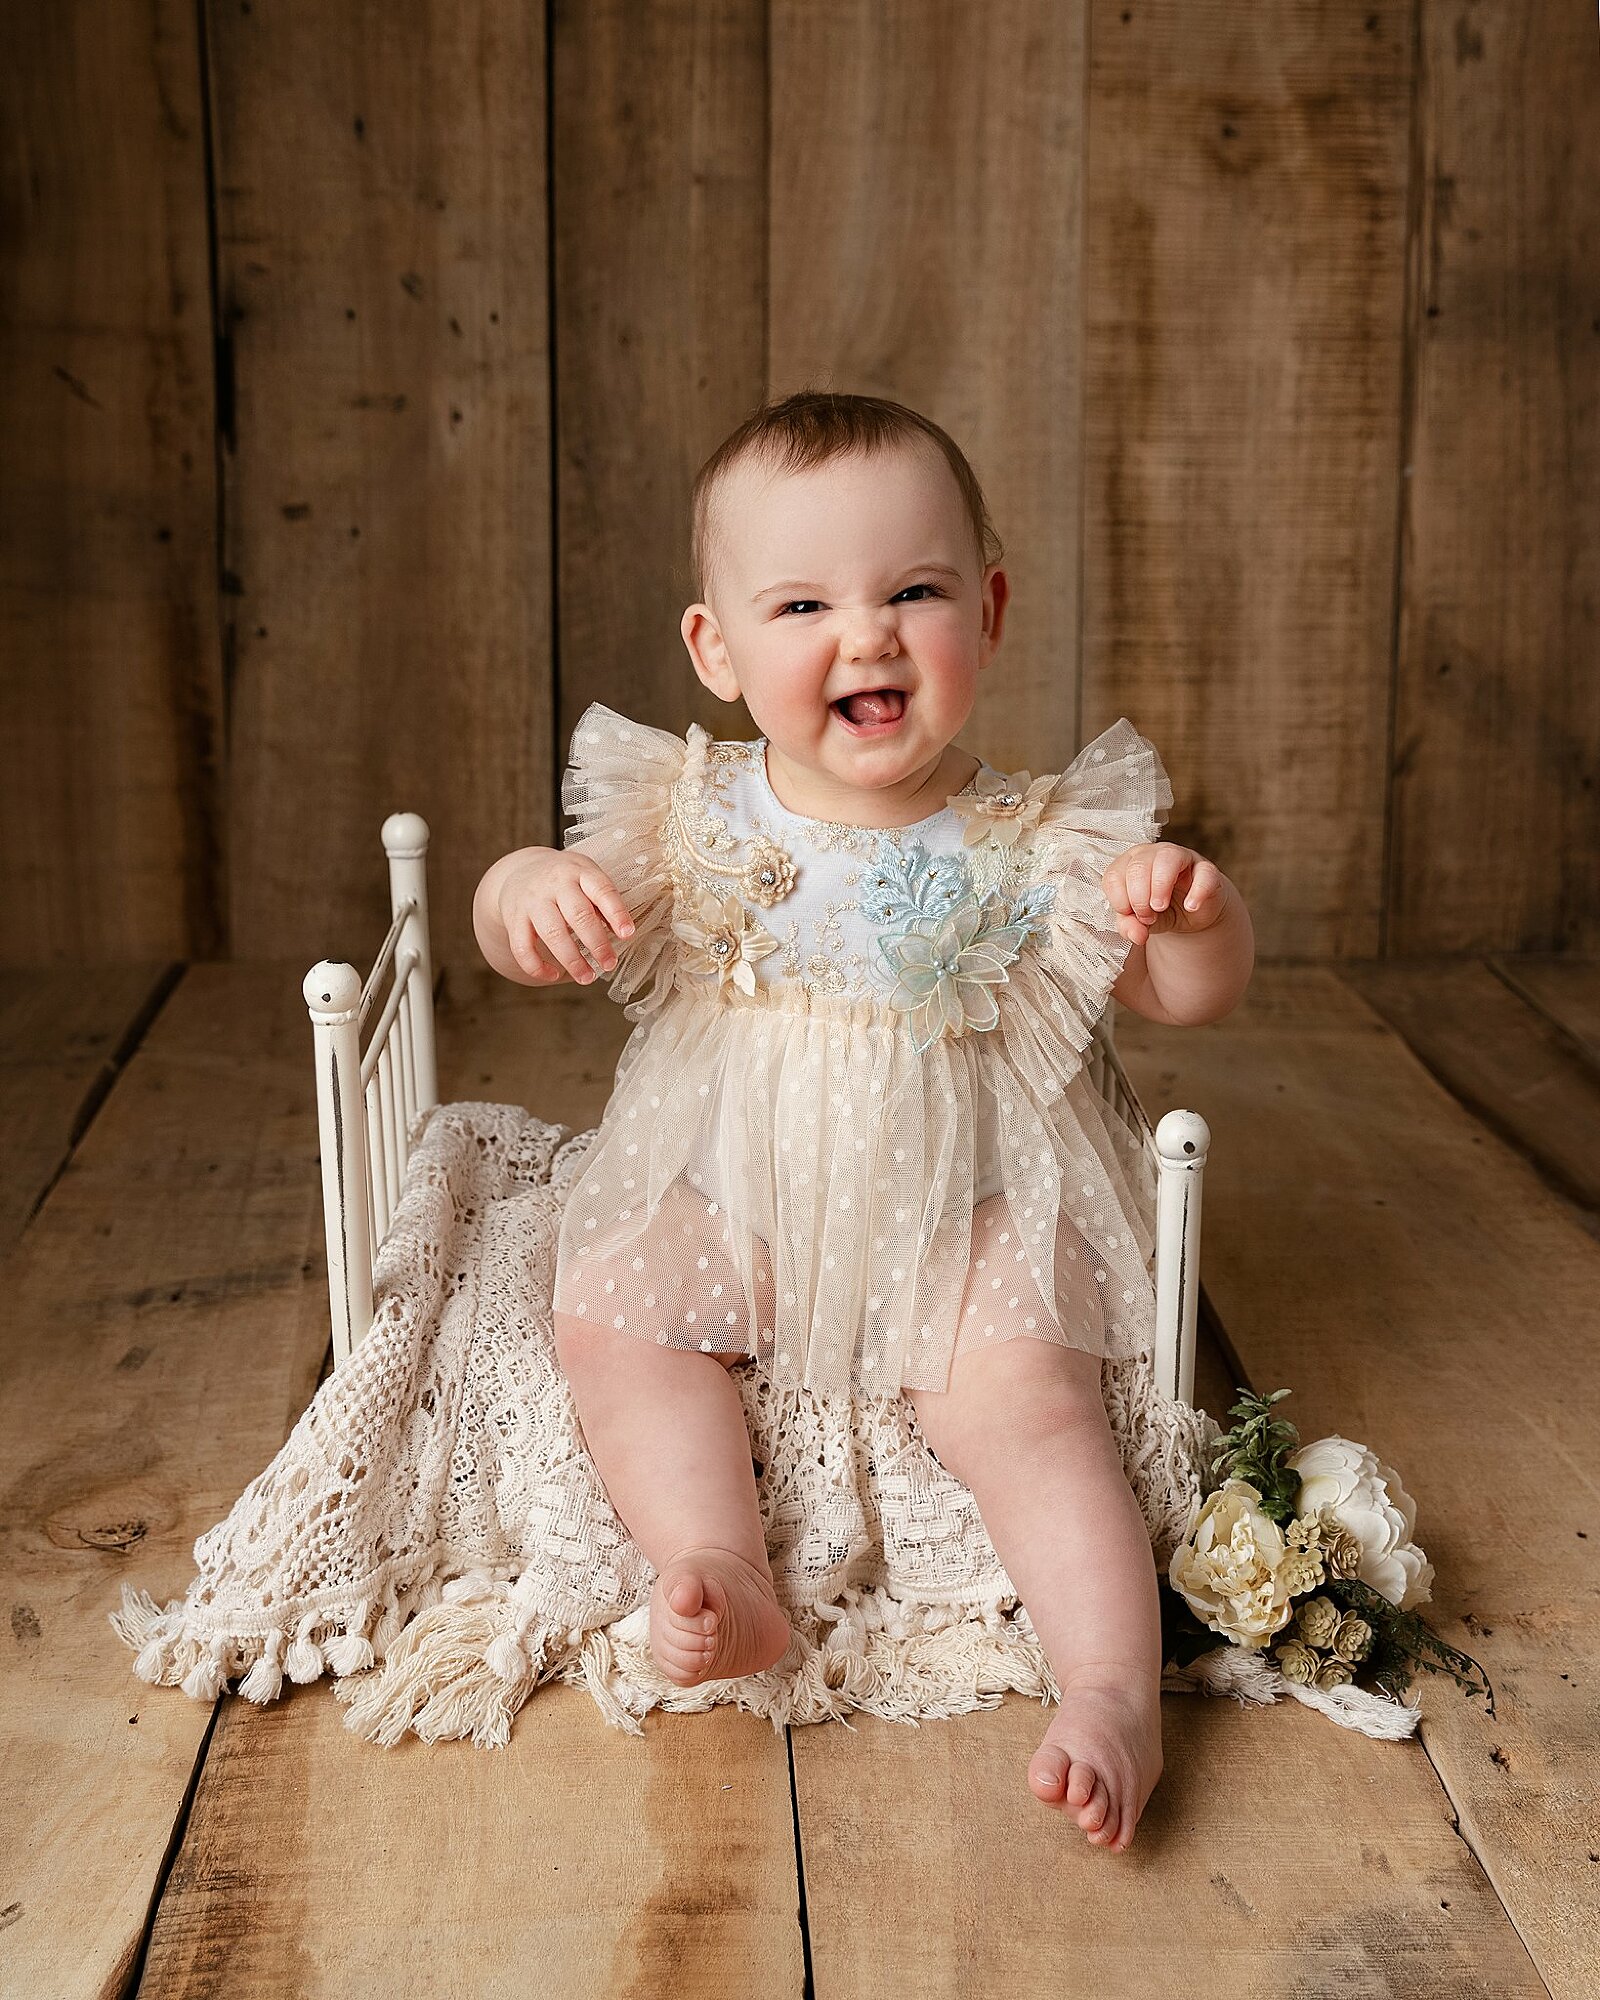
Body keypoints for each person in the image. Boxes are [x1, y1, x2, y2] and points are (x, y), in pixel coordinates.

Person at [472, 390, 1255, 1853]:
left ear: (991, 608)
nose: (869, 634)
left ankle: (1110, 1689)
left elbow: (1182, 999)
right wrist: (526, 895)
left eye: (914, 590)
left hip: (960, 1199)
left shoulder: (1032, 836)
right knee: (615, 1321)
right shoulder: (696, 812)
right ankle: (714, 1551)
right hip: (743, 1185)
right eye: (803, 604)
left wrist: (1194, 920)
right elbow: (518, 910)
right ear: (717, 649)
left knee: (1029, 1403)